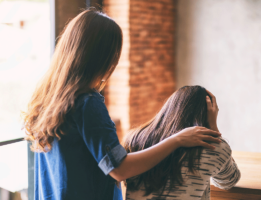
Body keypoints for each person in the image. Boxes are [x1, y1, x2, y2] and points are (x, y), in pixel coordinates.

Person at [22, 9, 222, 200]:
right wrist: (177, 139)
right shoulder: (87, 103)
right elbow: (120, 169)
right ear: (101, 58)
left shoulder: (47, 100)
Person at [124, 86, 241, 200]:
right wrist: (213, 128)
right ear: (209, 113)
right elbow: (229, 180)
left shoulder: (134, 138)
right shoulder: (213, 147)